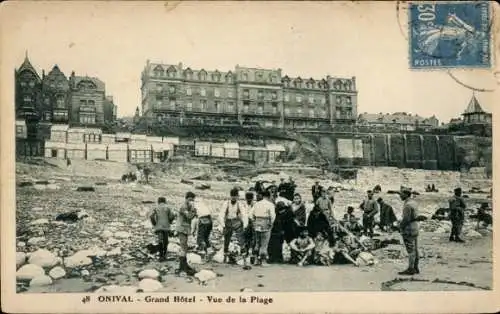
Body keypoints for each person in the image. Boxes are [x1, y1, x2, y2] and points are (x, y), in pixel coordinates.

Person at [219, 187, 248, 263]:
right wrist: (223, 225)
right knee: (226, 239)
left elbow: (244, 215)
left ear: (237, 196)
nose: (234, 197)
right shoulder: (226, 203)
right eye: (233, 196)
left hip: (236, 222)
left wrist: (245, 225)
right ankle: (225, 257)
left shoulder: (240, 204)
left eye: (235, 196)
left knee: (241, 239)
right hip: (228, 222)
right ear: (230, 196)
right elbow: (221, 214)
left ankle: (244, 258)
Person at [398, 187, 420, 275]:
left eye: (401, 194)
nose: (400, 195)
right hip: (415, 227)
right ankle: (416, 267)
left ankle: (411, 269)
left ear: (406, 194)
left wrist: (400, 227)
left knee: (410, 250)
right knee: (415, 249)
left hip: (409, 229)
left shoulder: (407, 205)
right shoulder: (413, 202)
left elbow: (406, 219)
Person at [250, 189, 276, 266]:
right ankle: (263, 261)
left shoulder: (257, 204)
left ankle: (255, 260)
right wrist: (271, 223)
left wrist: (254, 221)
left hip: (257, 222)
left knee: (257, 242)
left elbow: (250, 214)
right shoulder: (270, 204)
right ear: (269, 196)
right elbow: (273, 216)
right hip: (265, 222)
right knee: (264, 243)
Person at [176, 192, 197, 276]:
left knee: (185, 247)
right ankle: (182, 267)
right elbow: (188, 216)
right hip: (181, 229)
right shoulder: (183, 207)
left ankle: (184, 265)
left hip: (185, 229)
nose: (191, 201)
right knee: (183, 247)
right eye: (190, 200)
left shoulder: (188, 207)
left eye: (192, 200)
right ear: (186, 198)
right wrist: (194, 212)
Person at [149, 197, 176, 261]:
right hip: (166, 226)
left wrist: (154, 223)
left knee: (160, 240)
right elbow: (172, 215)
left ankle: (161, 256)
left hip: (159, 226)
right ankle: (165, 254)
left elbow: (151, 216)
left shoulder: (156, 208)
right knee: (166, 240)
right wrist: (169, 221)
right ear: (165, 201)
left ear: (158, 201)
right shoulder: (168, 207)